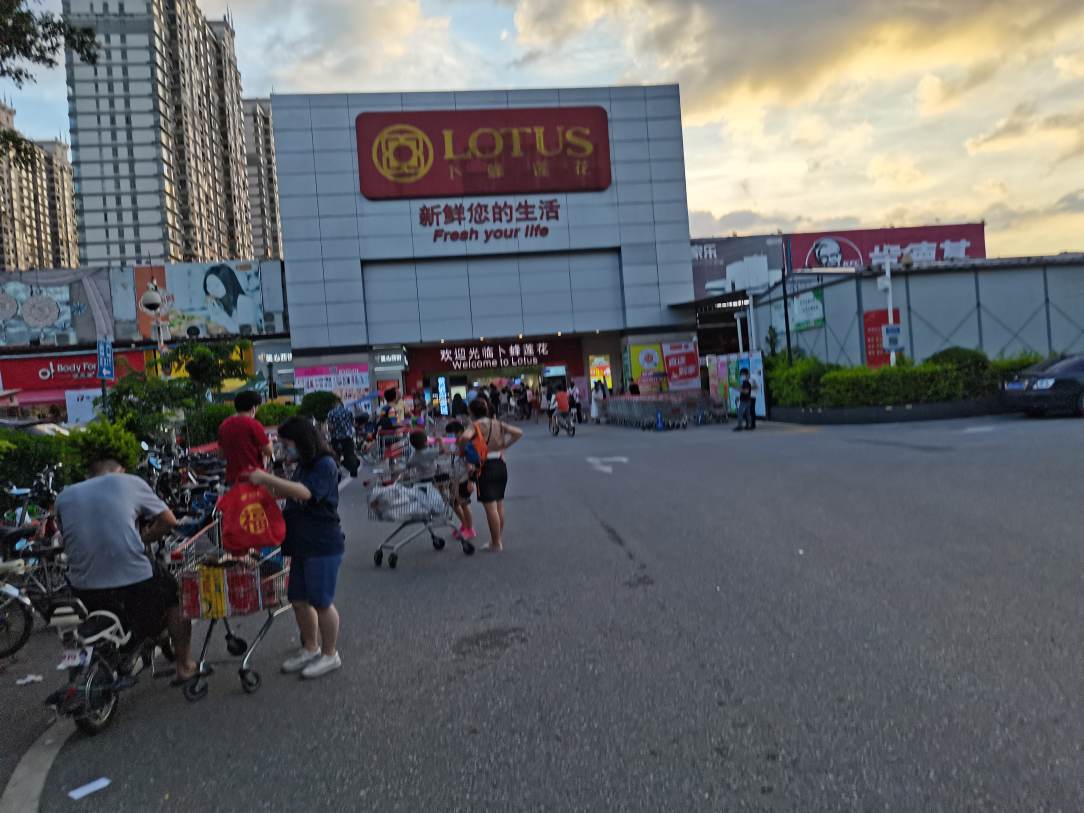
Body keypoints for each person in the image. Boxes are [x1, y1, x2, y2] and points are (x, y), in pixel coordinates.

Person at [55, 456, 197, 682]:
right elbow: (169, 521)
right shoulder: (130, 482)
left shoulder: (64, 496)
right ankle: (185, 666)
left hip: (82, 586)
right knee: (175, 598)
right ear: (120, 468)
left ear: (88, 473)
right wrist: (143, 538)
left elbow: (67, 537)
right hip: (134, 581)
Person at [246, 417, 344, 679]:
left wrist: (266, 478)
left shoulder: (325, 464)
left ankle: (330, 654)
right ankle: (311, 648)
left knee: (321, 601)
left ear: (302, 441)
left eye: (287, 444)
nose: (284, 448)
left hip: (322, 542)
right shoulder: (305, 464)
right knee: (299, 600)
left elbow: (305, 493)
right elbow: (291, 492)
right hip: (299, 541)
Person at [459, 398, 523, 552]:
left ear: (471, 412)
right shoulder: (497, 423)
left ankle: (496, 543)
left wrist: (463, 450)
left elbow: (465, 437)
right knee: (499, 505)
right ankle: (497, 539)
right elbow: (518, 432)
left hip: (485, 467)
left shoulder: (475, 425)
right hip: (500, 464)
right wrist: (505, 445)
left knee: (491, 508)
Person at [218, 390, 274, 485]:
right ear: (254, 408)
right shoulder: (253, 424)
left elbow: (221, 455)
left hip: (233, 479)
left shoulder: (224, 425)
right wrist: (270, 441)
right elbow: (269, 451)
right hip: (253, 478)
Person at [203, 264, 261, 335]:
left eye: (216, 285)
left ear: (228, 283)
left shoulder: (245, 302)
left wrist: (221, 316)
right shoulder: (216, 304)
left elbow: (246, 331)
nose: (212, 290)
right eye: (208, 285)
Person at [444, 421, 476, 542]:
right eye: (449, 434)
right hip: (454, 479)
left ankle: (470, 529)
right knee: (454, 504)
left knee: (464, 504)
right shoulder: (453, 444)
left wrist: (471, 482)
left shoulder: (467, 445)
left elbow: (471, 466)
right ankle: (464, 524)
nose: (450, 436)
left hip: (464, 479)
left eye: (452, 433)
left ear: (460, 432)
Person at [325, 398, 360, 478]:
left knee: (335, 455)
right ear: (342, 404)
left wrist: (331, 431)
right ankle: (353, 472)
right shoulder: (348, 412)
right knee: (350, 454)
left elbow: (330, 427)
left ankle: (335, 473)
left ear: (335, 404)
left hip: (336, 438)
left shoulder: (330, 413)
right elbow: (352, 423)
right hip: (347, 437)